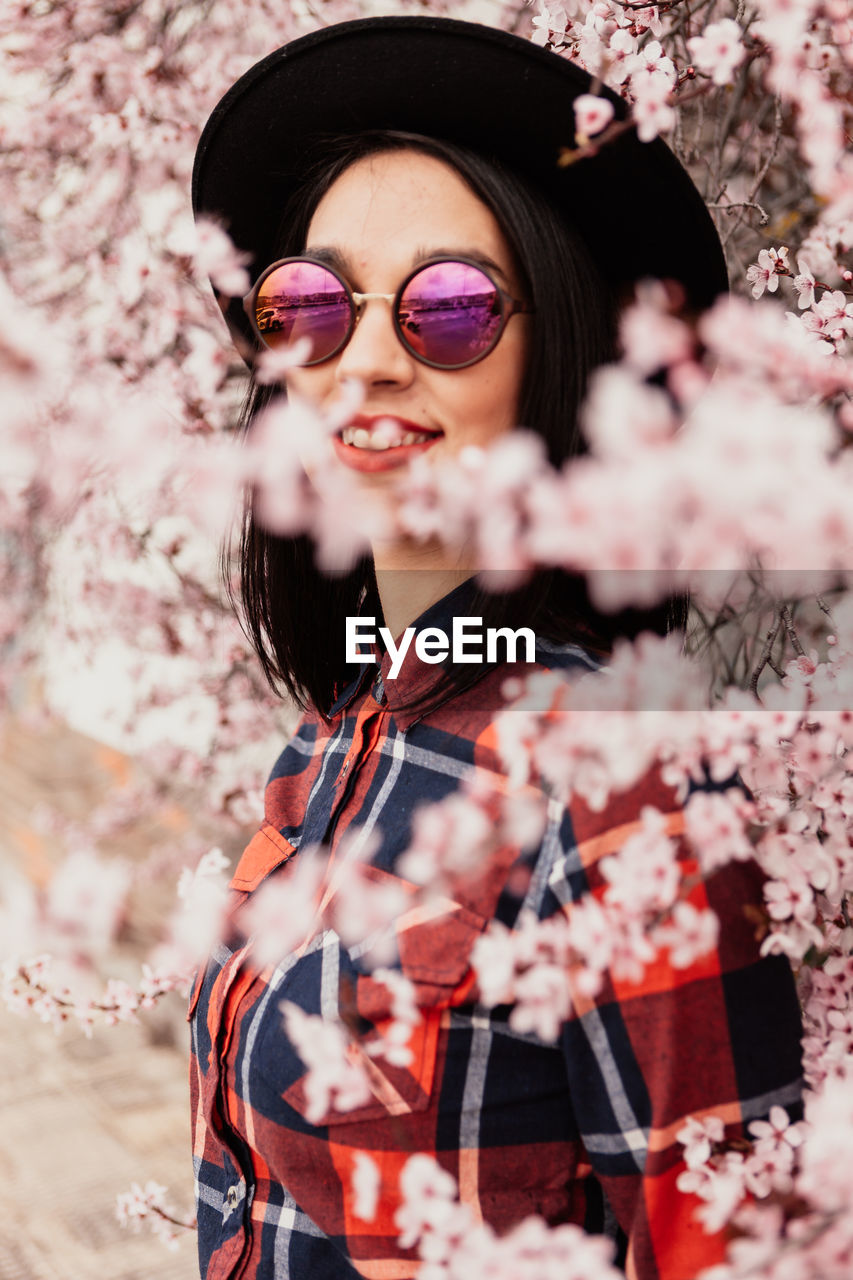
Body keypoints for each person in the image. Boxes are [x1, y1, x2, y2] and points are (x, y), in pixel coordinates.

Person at [189, 17, 803, 1280]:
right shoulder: (338, 737)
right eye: (309, 303)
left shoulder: (624, 785)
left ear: (561, 358)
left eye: (450, 307)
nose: (360, 360)